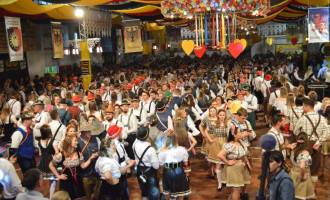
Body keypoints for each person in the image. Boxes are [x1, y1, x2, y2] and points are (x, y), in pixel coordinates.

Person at [49, 134, 98, 200]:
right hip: (66, 183)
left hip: (78, 181)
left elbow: (83, 166)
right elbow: (51, 165)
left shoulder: (78, 154)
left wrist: (90, 158)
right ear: (69, 143)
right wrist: (58, 176)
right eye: (75, 140)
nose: (77, 142)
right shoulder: (61, 155)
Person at [294, 98, 328, 189]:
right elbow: (327, 132)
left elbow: (295, 131)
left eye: (303, 106)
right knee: (315, 168)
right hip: (317, 145)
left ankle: (303, 189)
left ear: (307, 106)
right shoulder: (321, 118)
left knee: (302, 165)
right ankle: (313, 191)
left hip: (305, 144)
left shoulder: (303, 118)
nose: (302, 108)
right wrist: (318, 142)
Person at [218, 125, 251, 200]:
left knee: (236, 189)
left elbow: (244, 155)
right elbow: (220, 155)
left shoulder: (241, 142)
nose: (241, 133)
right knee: (236, 189)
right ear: (234, 134)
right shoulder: (230, 145)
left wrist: (248, 164)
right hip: (234, 168)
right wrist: (228, 162)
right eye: (240, 132)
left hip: (242, 167)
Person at [158, 130, 191, 199]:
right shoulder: (182, 149)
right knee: (180, 193)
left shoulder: (162, 150)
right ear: (176, 139)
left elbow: (160, 164)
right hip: (179, 170)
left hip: (168, 171)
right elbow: (185, 163)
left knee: (171, 194)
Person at [133, 126, 160, 200]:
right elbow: (156, 166)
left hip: (139, 171)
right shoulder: (151, 149)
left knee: (144, 191)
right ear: (147, 136)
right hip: (149, 172)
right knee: (153, 192)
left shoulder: (134, 145)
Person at [205, 109, 229, 191]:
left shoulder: (228, 124)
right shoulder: (214, 123)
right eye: (220, 115)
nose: (222, 116)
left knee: (225, 164)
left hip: (226, 145)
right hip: (217, 145)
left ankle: (224, 180)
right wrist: (211, 140)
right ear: (218, 115)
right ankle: (219, 183)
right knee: (218, 165)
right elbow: (206, 131)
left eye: (223, 115)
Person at [77, 123, 102, 200]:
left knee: (97, 196)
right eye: (87, 131)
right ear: (82, 132)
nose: (90, 133)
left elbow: (102, 152)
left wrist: (99, 153)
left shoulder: (96, 139)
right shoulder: (77, 143)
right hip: (85, 174)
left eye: (90, 131)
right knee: (87, 196)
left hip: (97, 173)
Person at [290, 132, 315, 199]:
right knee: (300, 196)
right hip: (300, 176)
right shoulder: (305, 153)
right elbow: (302, 166)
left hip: (293, 174)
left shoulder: (294, 150)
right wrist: (302, 176)